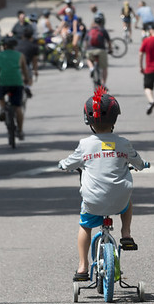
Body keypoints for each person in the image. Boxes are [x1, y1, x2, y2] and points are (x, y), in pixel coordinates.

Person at [58, 87, 146, 282]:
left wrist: (63, 165)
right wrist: (142, 165)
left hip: (93, 201)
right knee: (128, 200)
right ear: (115, 119)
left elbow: (70, 163)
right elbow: (138, 162)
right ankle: (126, 233)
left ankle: (82, 267)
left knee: (85, 225)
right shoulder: (123, 143)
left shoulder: (85, 145)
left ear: (88, 121)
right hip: (119, 200)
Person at [0, 36, 31, 140]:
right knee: (18, 107)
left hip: (3, 82)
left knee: (0, 98)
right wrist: (26, 79)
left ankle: (3, 109)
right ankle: (20, 131)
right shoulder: (20, 55)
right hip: (17, 82)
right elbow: (24, 70)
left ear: (4, 46)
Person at [84, 14, 112, 88]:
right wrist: (110, 49)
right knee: (104, 68)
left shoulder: (90, 30)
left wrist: (86, 49)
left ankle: (91, 68)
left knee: (88, 59)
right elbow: (109, 41)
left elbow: (86, 41)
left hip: (90, 51)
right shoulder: (103, 30)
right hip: (101, 51)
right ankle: (104, 83)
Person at [16, 29, 40, 98]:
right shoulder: (34, 46)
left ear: (23, 36)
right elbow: (34, 61)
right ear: (31, 37)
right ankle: (27, 87)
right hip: (25, 65)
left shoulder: (17, 43)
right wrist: (35, 71)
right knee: (30, 79)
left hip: (14, 65)